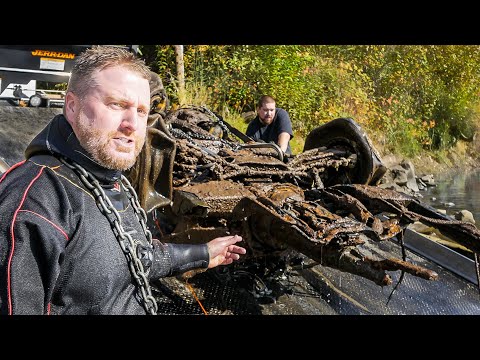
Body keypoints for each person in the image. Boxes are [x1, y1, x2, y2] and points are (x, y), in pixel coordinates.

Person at [0, 45, 246, 315]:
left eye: (142, 111)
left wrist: (203, 254)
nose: (133, 123)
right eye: (117, 104)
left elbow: (133, 255)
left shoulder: (112, 181)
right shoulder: (35, 201)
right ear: (71, 106)